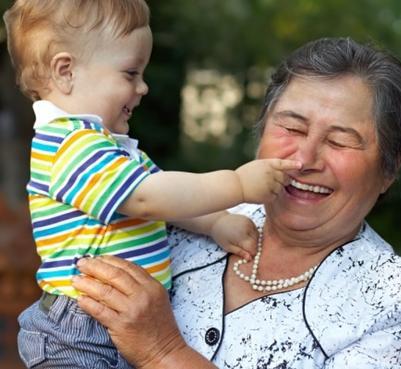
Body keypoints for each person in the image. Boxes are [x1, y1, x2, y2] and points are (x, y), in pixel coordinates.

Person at [74, 37, 401, 369]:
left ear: (389, 170)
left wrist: (162, 352)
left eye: (339, 141)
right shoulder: (179, 221)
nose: (304, 160)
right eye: (291, 128)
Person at [3, 1, 301, 368]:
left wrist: (214, 222)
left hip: (114, 325)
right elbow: (148, 198)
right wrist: (238, 184)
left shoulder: (108, 147)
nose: (143, 87)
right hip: (80, 331)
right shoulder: (69, 146)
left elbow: (162, 196)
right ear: (66, 71)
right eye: (130, 73)